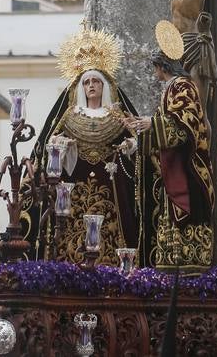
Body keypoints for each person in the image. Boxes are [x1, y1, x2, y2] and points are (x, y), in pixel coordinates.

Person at [22, 28, 138, 265]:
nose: (91, 86)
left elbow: (137, 149)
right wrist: (59, 146)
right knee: (69, 233)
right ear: (81, 87)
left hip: (112, 188)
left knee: (113, 228)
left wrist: (130, 146)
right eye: (87, 82)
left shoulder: (118, 117)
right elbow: (47, 149)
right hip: (72, 190)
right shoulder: (69, 116)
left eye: (96, 81)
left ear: (105, 85)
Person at [126, 50, 214, 273]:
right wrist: (136, 141)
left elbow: (186, 125)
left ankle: (186, 265)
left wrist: (151, 123)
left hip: (189, 170)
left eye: (155, 67)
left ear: (163, 67)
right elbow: (161, 132)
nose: (155, 72)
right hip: (175, 169)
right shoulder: (171, 89)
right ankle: (173, 266)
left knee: (185, 219)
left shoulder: (183, 86)